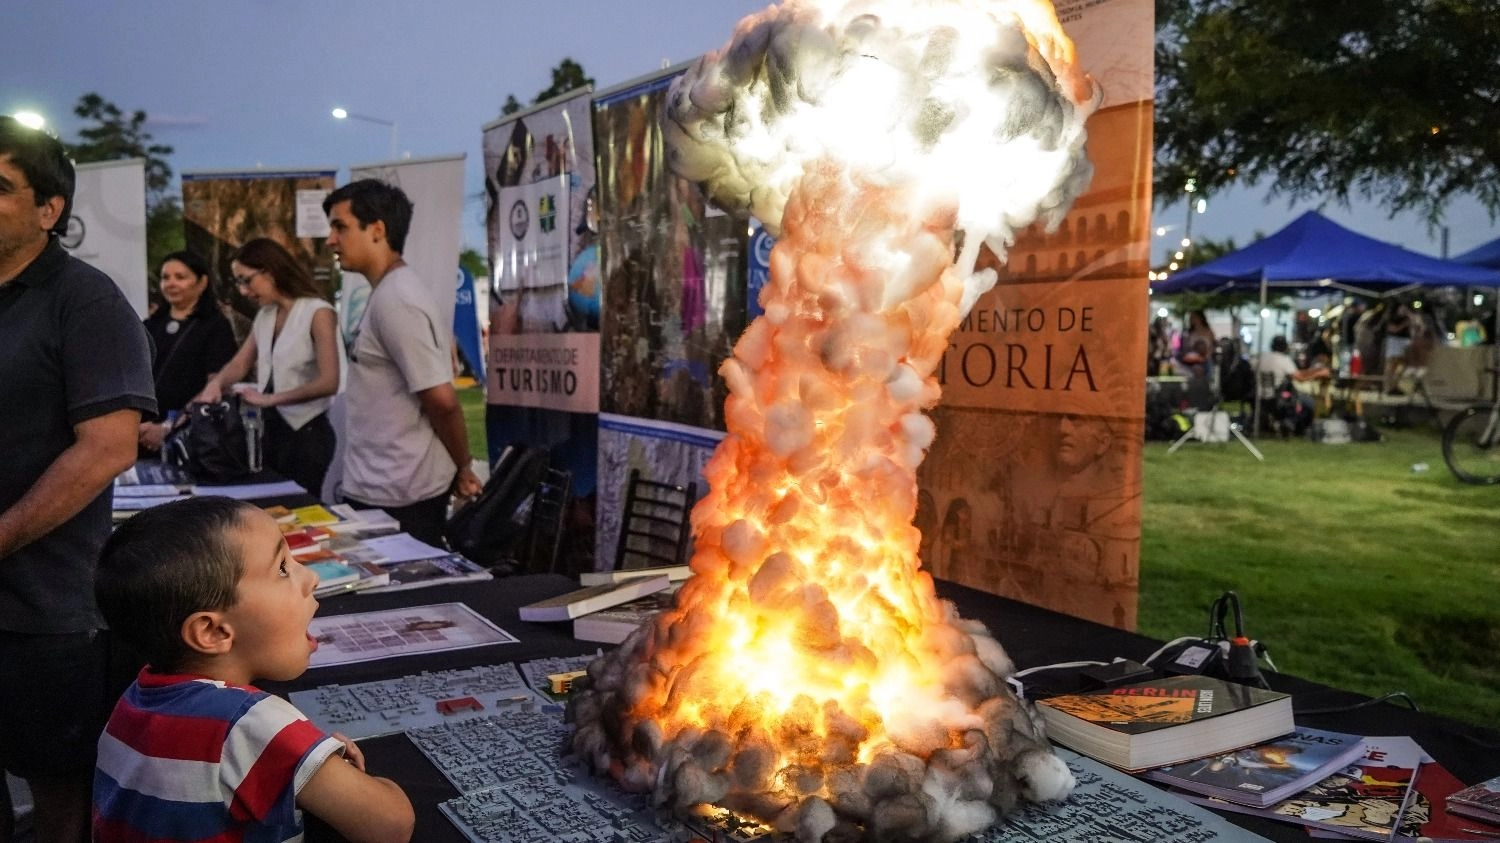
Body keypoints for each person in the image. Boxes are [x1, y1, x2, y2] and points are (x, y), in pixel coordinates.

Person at [0, 115, 155, 843]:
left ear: (49, 209)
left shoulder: (85, 300)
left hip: (47, 612)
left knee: (61, 802)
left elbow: (109, 446)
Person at [92, 497, 414, 842]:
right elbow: (390, 826)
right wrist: (341, 771)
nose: (312, 577)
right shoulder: (251, 724)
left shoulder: (132, 701)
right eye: (282, 568)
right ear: (212, 632)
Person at [324, 180, 481, 545]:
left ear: (377, 230)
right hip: (383, 486)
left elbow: (442, 401)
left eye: (340, 227)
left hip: (401, 493)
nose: (331, 240)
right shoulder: (388, 294)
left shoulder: (398, 301)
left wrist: (463, 466)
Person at [196, 238, 343, 498]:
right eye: (238, 282)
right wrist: (215, 385)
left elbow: (329, 381)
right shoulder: (265, 315)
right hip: (271, 432)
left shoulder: (317, 312)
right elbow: (241, 362)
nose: (243, 291)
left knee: (303, 511)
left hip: (308, 434)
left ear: (270, 270)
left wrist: (271, 399)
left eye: (246, 280)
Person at [138, 251, 237, 454]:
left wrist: (169, 426)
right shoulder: (150, 324)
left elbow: (217, 384)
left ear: (202, 282)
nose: (171, 283)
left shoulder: (215, 326)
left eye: (180, 277)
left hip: (190, 434)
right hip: (140, 431)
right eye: (166, 277)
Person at [1256, 335, 1329, 433]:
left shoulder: (1262, 357)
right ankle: (1292, 424)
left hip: (1259, 396)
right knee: (1308, 402)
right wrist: (1319, 374)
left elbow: (1298, 373)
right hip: (1277, 398)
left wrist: (1314, 370)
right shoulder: (1284, 359)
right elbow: (1300, 378)